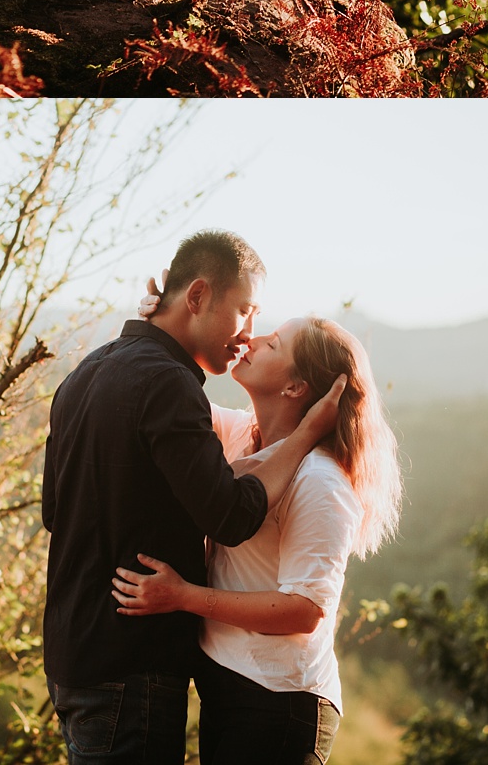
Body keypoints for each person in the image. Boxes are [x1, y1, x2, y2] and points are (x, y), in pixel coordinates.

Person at [42, 229, 347, 765]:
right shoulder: (168, 384)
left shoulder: (87, 372)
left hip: (75, 657)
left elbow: (53, 511)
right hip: (130, 662)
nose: (248, 335)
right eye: (245, 312)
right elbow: (230, 515)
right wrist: (304, 436)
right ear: (199, 297)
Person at [113, 308, 401, 765]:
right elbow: (157, 393)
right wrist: (162, 319)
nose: (253, 338)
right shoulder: (239, 436)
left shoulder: (319, 482)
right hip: (229, 686)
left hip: (280, 703)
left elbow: (304, 610)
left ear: (294, 387)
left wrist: (184, 596)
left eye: (273, 343)